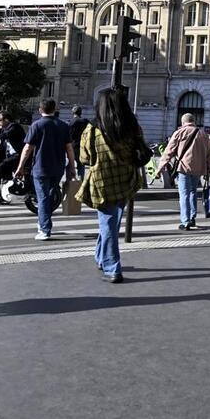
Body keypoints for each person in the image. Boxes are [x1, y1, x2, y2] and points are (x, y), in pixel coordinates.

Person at [76, 89, 143, 283]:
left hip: (103, 183)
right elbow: (140, 150)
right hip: (126, 180)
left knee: (108, 225)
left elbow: (84, 158)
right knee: (110, 223)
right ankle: (100, 257)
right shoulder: (132, 127)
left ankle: (113, 268)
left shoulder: (92, 130)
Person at [16, 100, 76, 241]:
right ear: (55, 109)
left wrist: (20, 167)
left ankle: (44, 229)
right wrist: (72, 166)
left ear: (40, 109)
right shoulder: (63, 125)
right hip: (58, 167)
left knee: (42, 198)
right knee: (49, 197)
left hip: (40, 167)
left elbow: (27, 148)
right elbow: (69, 148)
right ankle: (44, 223)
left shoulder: (37, 125)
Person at [160, 113, 210, 230]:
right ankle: (192, 217)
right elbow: (209, 155)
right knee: (193, 192)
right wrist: (209, 169)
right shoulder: (203, 134)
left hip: (184, 168)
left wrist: (161, 167)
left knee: (184, 194)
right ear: (194, 121)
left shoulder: (179, 133)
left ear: (183, 122)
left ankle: (185, 221)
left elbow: (169, 151)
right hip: (198, 169)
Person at [0, 110, 25, 202]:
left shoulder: (15, 127)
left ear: (6, 120)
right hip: (10, 157)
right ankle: (6, 191)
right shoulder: (4, 128)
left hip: (18, 156)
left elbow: (5, 135)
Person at [69, 105, 89, 180]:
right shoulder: (85, 121)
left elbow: (69, 136)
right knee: (81, 165)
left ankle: (71, 181)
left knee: (70, 164)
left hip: (73, 147)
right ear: (81, 112)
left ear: (73, 112)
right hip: (83, 146)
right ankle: (81, 181)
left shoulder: (71, 122)